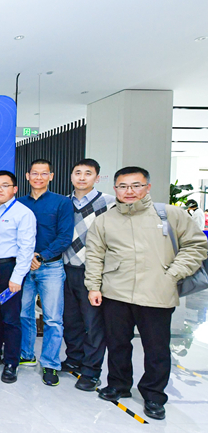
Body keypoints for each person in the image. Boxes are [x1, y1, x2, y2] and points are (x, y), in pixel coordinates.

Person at [86, 166, 208, 420]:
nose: (129, 191)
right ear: (115, 189)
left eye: (136, 185)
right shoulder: (105, 220)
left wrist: (173, 274)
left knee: (156, 348)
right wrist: (94, 286)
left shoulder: (170, 214)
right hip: (116, 293)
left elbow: (196, 245)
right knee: (117, 343)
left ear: (147, 187)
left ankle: (154, 395)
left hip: (157, 292)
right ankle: (118, 384)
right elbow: (95, 255)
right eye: (123, 186)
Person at [60, 159, 116, 391]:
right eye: (77, 173)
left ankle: (92, 371)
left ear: (97, 177)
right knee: (70, 320)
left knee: (93, 323)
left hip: (92, 271)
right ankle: (74, 358)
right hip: (65, 269)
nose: (82, 177)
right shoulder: (64, 202)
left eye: (88, 173)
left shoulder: (109, 203)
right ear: (71, 176)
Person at [17, 159, 74, 386]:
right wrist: (27, 258)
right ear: (27, 176)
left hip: (51, 267)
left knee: (52, 319)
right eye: (34, 173)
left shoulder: (62, 203)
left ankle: (50, 363)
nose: (38, 177)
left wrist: (41, 256)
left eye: (44, 173)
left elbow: (65, 237)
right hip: (23, 267)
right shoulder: (18, 203)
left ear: (51, 176)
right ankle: (26, 354)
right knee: (24, 313)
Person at [0, 170, 36, 383]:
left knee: (10, 318)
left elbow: (26, 248)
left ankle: (12, 362)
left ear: (15, 189)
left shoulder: (23, 213)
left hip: (8, 270)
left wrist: (17, 277)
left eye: (4, 185)